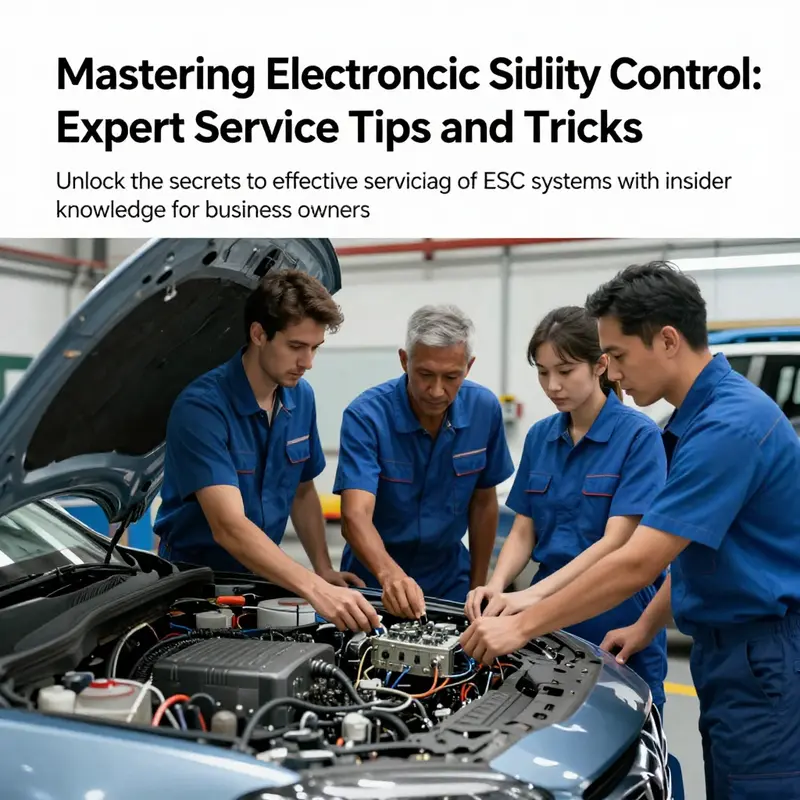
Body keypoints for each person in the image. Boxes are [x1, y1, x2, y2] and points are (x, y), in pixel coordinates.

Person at [460, 261, 800, 800]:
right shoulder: (699, 420)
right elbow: (696, 549)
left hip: (762, 657)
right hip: (730, 655)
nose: (612, 374)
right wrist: (646, 624)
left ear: (666, 340)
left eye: (616, 356)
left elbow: (637, 557)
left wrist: (522, 625)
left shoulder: (727, 428)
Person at [464, 305, 669, 717]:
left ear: (600, 365)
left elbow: (617, 543)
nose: (552, 385)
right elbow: (524, 528)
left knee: (626, 741)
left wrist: (531, 598)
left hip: (616, 615)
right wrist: (499, 586)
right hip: (546, 623)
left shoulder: (638, 437)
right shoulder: (542, 436)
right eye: (542, 372)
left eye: (565, 370)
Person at [154, 269, 379, 634]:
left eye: (315, 348)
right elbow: (229, 527)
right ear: (259, 334)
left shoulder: (301, 397)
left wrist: (322, 567)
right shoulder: (202, 408)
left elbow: (303, 489)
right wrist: (313, 586)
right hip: (195, 589)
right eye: (296, 347)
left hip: (263, 580)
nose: (308, 362)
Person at [333, 304, 515, 619]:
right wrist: (389, 575)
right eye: (425, 375)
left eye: (451, 377)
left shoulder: (484, 410)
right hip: (374, 582)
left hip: (449, 582)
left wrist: (477, 587)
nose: (436, 390)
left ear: (468, 367)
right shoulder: (366, 416)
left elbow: (484, 503)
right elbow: (355, 516)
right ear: (405, 361)